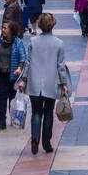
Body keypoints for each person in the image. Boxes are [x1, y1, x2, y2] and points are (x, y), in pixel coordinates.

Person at [18, 13, 71, 154]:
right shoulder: (59, 43)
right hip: (51, 82)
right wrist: (64, 83)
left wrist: (23, 79)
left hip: (35, 82)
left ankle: (35, 138)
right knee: (48, 112)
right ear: (53, 25)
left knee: (36, 112)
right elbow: (61, 66)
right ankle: (46, 142)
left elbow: (28, 63)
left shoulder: (33, 42)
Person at [0, 19, 27, 129]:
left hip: (13, 75)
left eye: (5, 28)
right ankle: (1, 120)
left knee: (12, 97)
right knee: (2, 96)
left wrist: (20, 68)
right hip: (1, 73)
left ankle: (13, 118)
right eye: (2, 27)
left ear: (11, 30)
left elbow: (23, 57)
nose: (2, 30)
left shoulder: (17, 42)